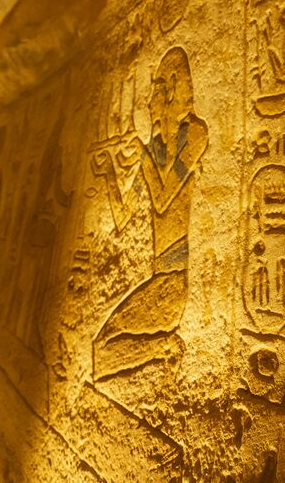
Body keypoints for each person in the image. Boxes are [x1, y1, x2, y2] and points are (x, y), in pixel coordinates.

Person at [91, 46, 208, 381]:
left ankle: (165, 347)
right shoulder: (156, 144)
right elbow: (122, 215)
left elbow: (164, 198)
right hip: (159, 278)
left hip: (174, 280)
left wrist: (143, 157)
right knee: (100, 352)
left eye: (155, 91)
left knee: (103, 353)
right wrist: (109, 171)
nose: (149, 103)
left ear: (171, 90)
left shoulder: (194, 133)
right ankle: (162, 347)